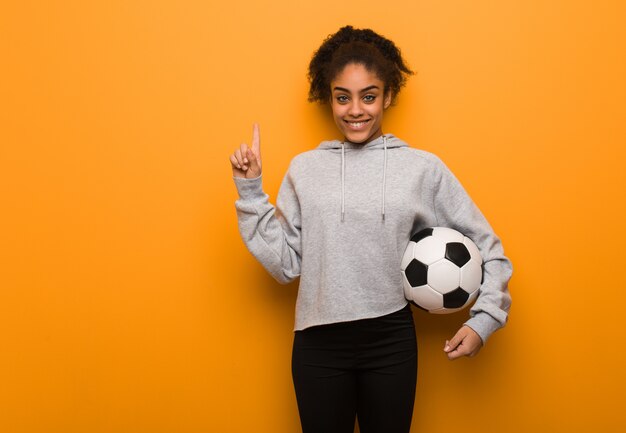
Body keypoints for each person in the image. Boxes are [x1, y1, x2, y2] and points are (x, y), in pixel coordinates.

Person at [229, 25, 512, 433]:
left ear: (388, 96)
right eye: (343, 97)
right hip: (318, 343)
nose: (355, 110)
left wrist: (483, 320)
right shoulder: (304, 170)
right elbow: (285, 265)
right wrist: (251, 190)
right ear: (329, 98)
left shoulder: (422, 168)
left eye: (369, 96)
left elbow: (490, 249)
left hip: (390, 341)